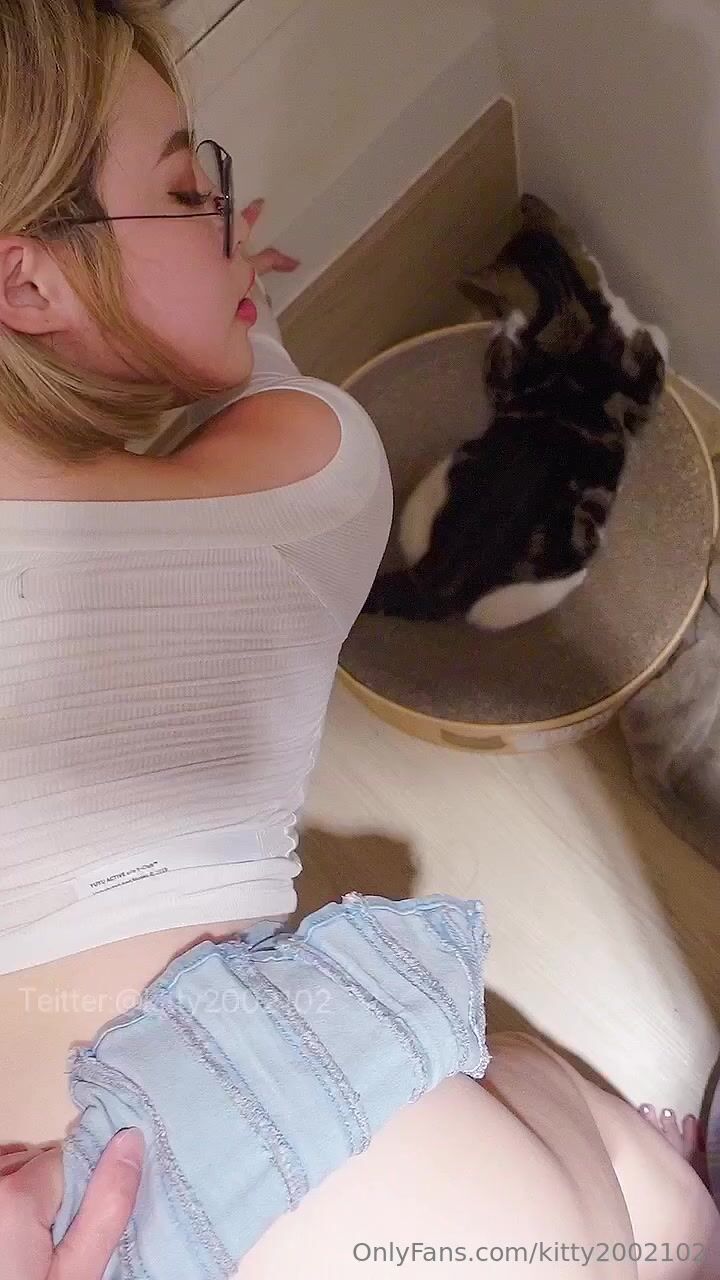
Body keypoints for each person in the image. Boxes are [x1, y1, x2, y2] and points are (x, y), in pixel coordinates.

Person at [0, 3, 716, 1277]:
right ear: (26, 282)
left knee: (608, 1186)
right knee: (639, 1191)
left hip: (85, 1218)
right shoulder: (297, 469)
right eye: (187, 189)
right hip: (266, 1130)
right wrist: (250, 335)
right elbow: (302, 431)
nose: (229, 214)